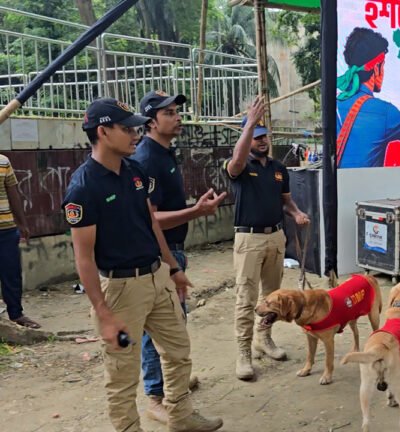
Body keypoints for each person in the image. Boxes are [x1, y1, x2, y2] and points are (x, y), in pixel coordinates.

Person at [62, 98, 222, 432]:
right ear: (103, 132)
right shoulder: (84, 186)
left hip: (156, 277)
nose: (136, 134)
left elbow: (150, 222)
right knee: (122, 374)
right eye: (126, 128)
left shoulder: (134, 169)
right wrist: (103, 313)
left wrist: (173, 270)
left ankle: (180, 415)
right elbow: (84, 257)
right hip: (120, 290)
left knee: (178, 351)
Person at [132, 90, 227, 424]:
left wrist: (193, 208)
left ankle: (173, 386)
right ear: (150, 121)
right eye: (169, 112)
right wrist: (196, 212)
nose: (177, 117)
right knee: (159, 327)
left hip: (173, 251)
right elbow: (149, 218)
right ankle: (157, 397)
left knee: (174, 323)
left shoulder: (164, 153)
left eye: (176, 111)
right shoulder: (147, 159)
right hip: (161, 253)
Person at [224, 98, 310, 381]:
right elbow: (236, 162)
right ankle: (243, 354)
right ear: (247, 138)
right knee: (246, 298)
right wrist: (249, 123)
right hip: (248, 239)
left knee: (270, 298)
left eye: (264, 136)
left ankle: (264, 338)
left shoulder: (277, 168)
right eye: (256, 137)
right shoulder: (238, 166)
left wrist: (296, 214)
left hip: (275, 236)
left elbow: (286, 202)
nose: (262, 141)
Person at [336, 27, 400, 168]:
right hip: (368, 189)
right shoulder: (384, 112)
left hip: (339, 189)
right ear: (376, 67)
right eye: (383, 66)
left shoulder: (335, 104)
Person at [0, 154, 40, 328]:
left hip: (6, 229)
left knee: (11, 273)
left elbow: (13, 192)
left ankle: (16, 314)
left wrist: (22, 223)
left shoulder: (3, 161)